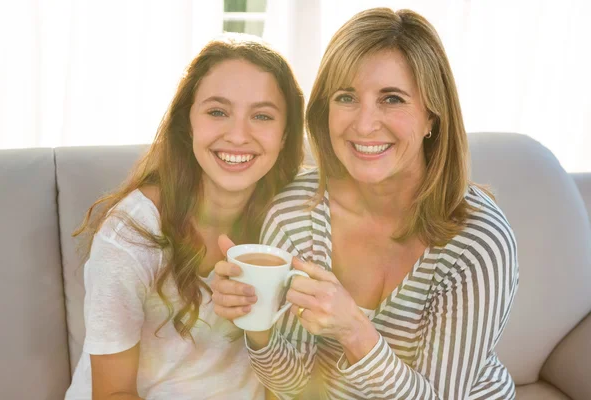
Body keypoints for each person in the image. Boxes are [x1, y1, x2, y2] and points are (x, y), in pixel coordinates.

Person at [212, 8, 518, 400]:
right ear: (325, 112)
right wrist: (255, 324)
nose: (364, 124)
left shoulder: (478, 241)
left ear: (432, 118)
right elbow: (294, 384)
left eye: (392, 98)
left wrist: (355, 332)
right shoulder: (295, 214)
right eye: (346, 97)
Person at [64, 34, 304, 400]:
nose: (238, 135)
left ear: (285, 134)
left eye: (262, 116)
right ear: (187, 122)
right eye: (217, 111)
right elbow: (112, 394)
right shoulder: (131, 235)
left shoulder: (293, 223)